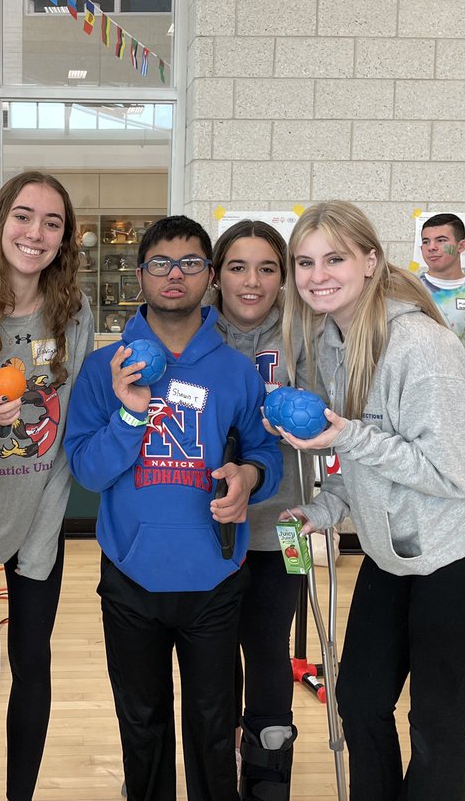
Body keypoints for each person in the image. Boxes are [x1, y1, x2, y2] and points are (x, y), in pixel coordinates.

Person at [277, 201, 465, 800]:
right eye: (305, 262)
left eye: (334, 258)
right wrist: (324, 508)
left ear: (369, 260)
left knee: (436, 723)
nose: (318, 275)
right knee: (359, 699)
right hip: (398, 554)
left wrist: (343, 435)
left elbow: (453, 474)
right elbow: (369, 465)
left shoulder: (419, 345)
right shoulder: (330, 342)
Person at [64, 215, 283, 801]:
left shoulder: (235, 370)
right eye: (161, 263)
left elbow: (264, 451)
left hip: (214, 577)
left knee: (214, 730)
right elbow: (87, 468)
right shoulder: (102, 369)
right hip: (131, 574)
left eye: (190, 263)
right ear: (140, 275)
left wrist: (250, 476)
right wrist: (132, 413)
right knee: (142, 726)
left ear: (209, 277)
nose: (175, 274)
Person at [0, 171, 94, 801]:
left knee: (32, 665)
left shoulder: (74, 314)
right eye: (25, 217)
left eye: (52, 223)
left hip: (41, 509)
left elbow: (73, 420)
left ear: (64, 238)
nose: (36, 233)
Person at [211, 219, 302, 798]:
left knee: (271, 647)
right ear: (217, 275)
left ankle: (269, 770)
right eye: (238, 267)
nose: (252, 281)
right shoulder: (194, 332)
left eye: (267, 268)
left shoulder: (307, 331)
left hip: (288, 525)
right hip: (214, 525)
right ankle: (216, 761)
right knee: (216, 653)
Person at [417, 213, 465, 366]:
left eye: (441, 240)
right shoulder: (408, 290)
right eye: (426, 242)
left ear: (461, 246)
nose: (431, 247)